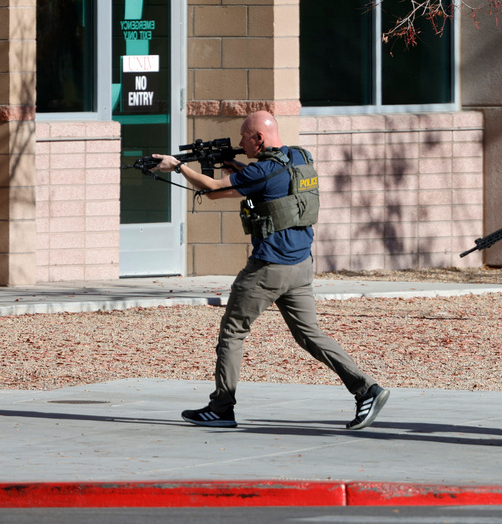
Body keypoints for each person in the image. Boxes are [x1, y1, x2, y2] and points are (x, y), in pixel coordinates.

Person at [152, 111, 389, 430]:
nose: (240, 143)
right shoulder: (299, 157)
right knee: (310, 335)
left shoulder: (263, 169)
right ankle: (367, 389)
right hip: (301, 265)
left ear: (258, 139)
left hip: (269, 267)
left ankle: (221, 408)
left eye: (243, 138)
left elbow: (212, 189)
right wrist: (240, 171)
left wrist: (178, 167)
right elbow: (261, 186)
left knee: (233, 330)